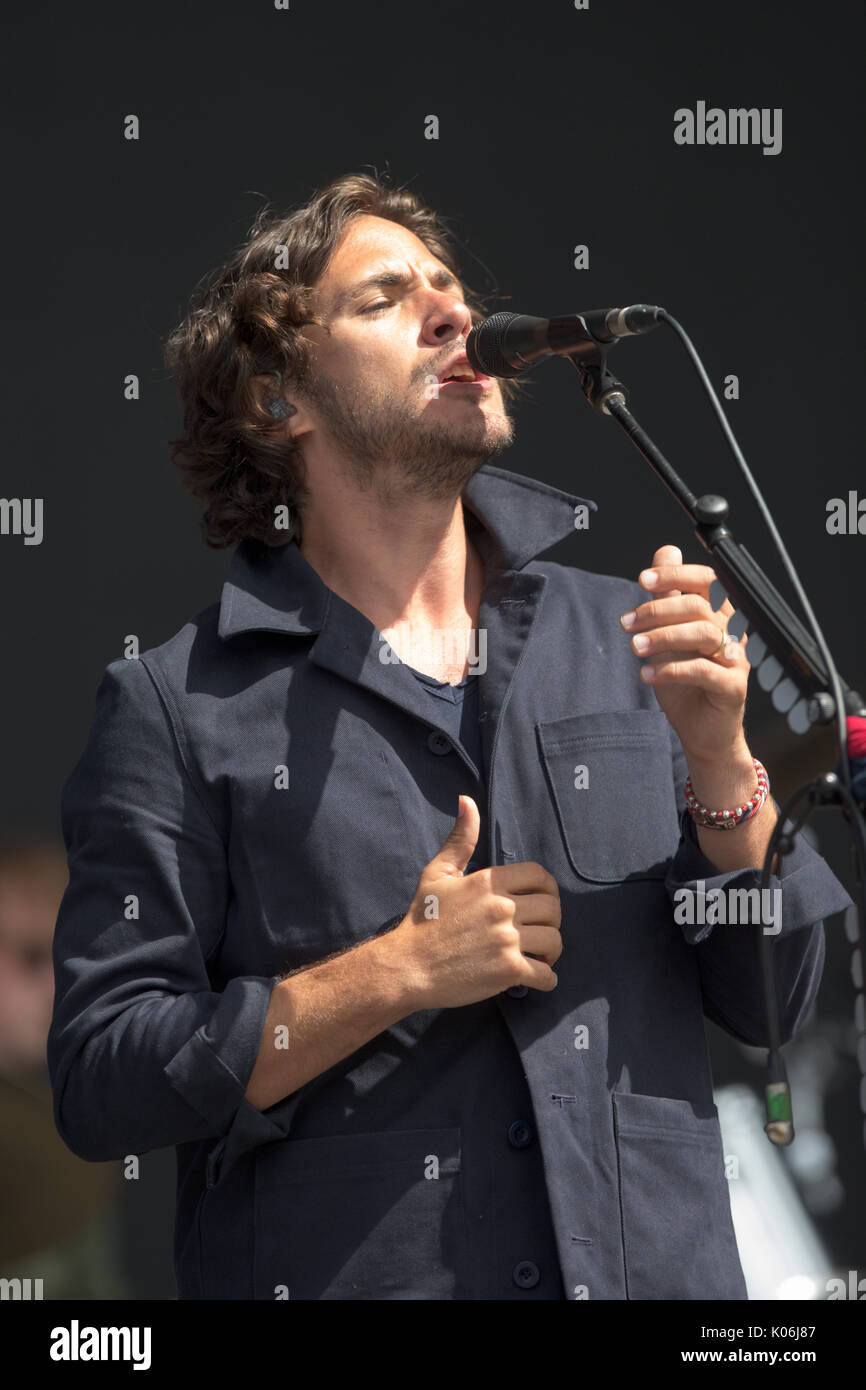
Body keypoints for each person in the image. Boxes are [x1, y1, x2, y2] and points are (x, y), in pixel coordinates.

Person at [48, 172, 852, 1300]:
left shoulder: (623, 634)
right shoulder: (176, 706)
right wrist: (392, 972)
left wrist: (723, 763)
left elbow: (774, 996)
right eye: (386, 297)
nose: (450, 313)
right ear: (282, 399)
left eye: (449, 287)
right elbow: (103, 1081)